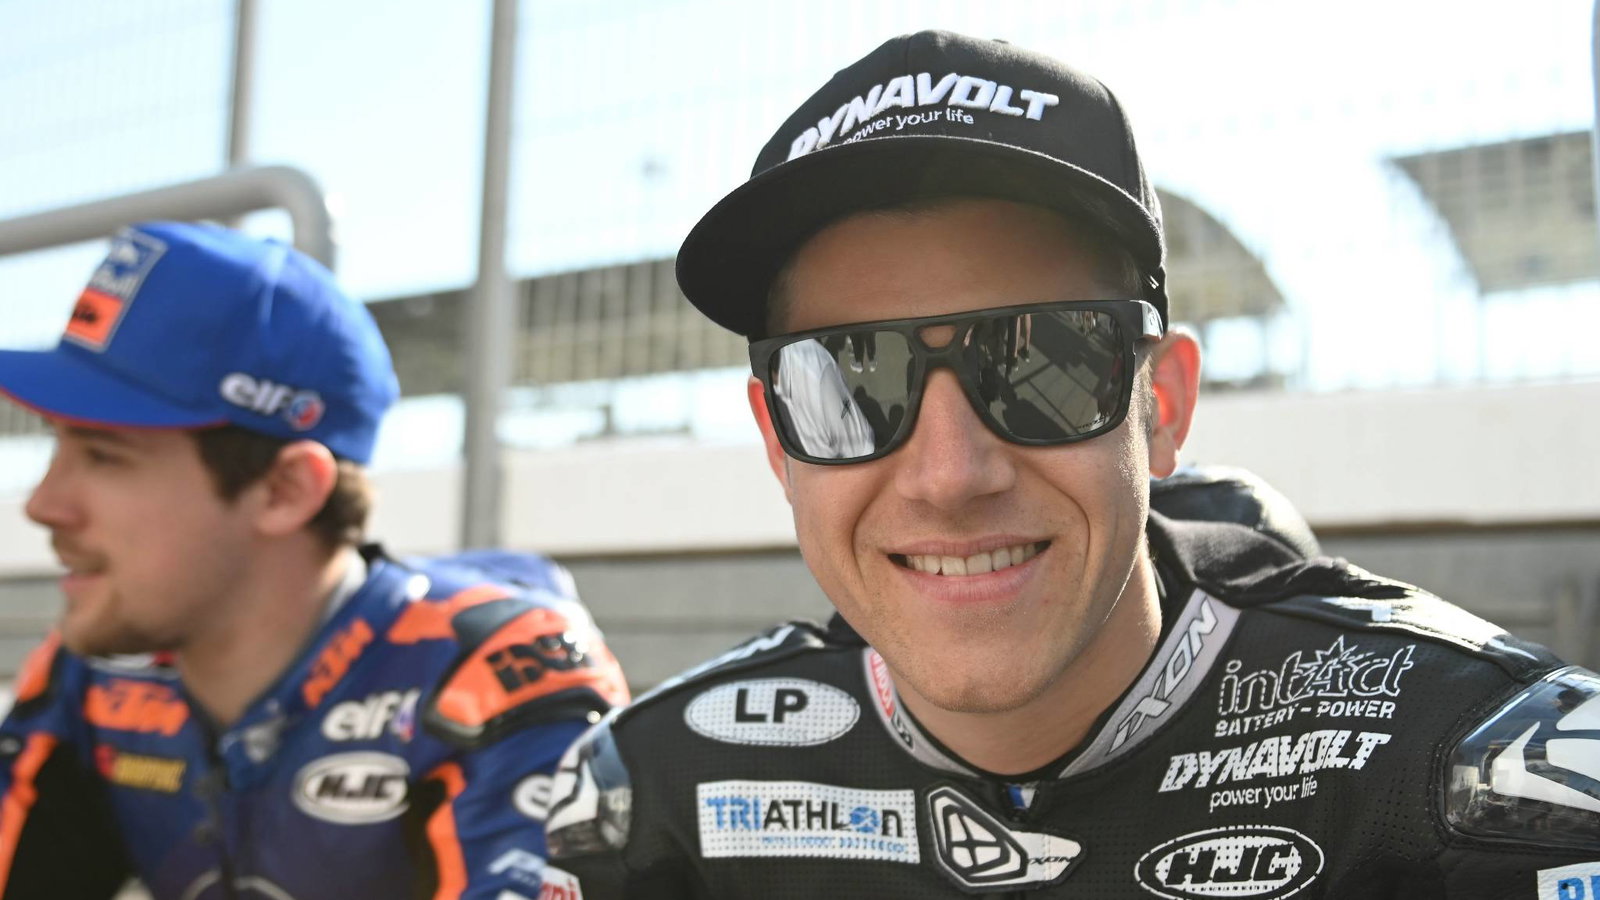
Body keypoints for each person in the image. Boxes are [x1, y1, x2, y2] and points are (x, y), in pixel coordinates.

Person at [543, 30, 1600, 898]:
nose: (949, 474)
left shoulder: (1487, 775)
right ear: (778, 444)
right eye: (848, 383)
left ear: (1162, 406)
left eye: (1039, 360)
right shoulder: (653, 798)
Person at [0, 222, 629, 899]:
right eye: (55, 446)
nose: (42, 503)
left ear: (285, 490)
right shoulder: (93, 667)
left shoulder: (496, 677)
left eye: (103, 456)